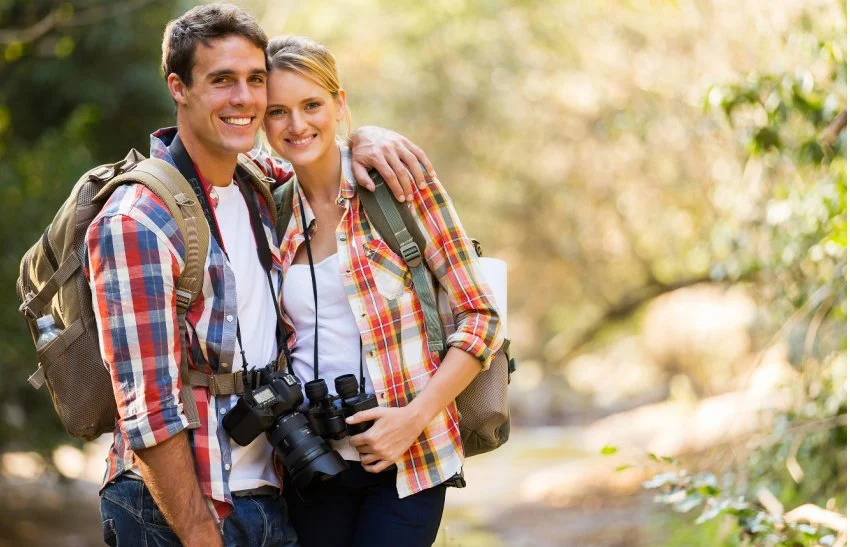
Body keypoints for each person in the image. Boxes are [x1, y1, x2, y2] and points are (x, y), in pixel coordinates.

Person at [87, 4, 436, 546]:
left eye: (255, 80)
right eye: (221, 80)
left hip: (270, 495)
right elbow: (148, 412)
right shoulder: (139, 220)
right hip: (177, 510)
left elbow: (317, 150)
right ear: (179, 87)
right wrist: (202, 536)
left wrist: (365, 135)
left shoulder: (258, 184)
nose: (244, 99)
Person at [262, 35, 504, 547]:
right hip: (311, 461)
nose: (297, 124)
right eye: (278, 111)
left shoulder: (398, 186)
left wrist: (412, 419)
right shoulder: (268, 208)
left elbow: (482, 316)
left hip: (410, 458)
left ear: (340, 104)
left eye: (312, 105)